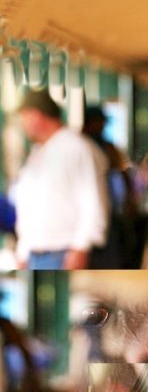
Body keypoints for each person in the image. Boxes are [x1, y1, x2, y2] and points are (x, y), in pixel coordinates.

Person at [13, 89, 109, 270]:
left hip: (64, 255)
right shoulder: (38, 152)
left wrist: (81, 248)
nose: (22, 124)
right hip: (35, 256)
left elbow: (93, 202)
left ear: (37, 116)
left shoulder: (76, 147)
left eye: (24, 117)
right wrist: (23, 251)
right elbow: (29, 208)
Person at [82, 105, 138, 268]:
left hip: (109, 212)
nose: (101, 126)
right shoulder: (83, 147)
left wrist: (129, 200)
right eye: (98, 122)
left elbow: (123, 173)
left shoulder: (109, 148)